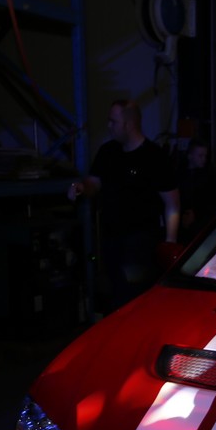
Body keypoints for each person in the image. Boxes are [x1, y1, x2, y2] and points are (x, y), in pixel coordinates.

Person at [68, 100, 180, 310]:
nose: (109, 126)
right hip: (111, 238)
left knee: (132, 296)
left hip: (140, 241)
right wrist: (81, 187)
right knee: (114, 292)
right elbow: (94, 182)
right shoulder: (108, 152)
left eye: (113, 121)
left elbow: (172, 203)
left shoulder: (153, 156)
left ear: (128, 124)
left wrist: (170, 242)